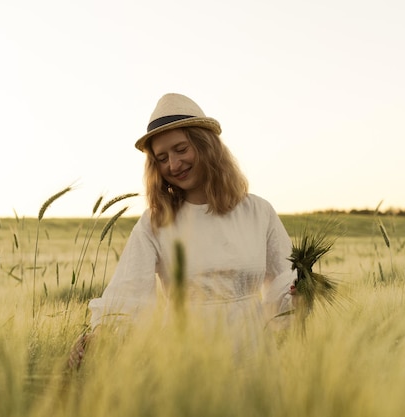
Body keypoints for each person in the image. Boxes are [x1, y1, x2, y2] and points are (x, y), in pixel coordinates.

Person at [68, 93, 299, 370]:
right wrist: (101, 334)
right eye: (162, 158)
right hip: (183, 360)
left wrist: (301, 292)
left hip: (252, 356)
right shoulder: (155, 222)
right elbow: (129, 292)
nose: (173, 165)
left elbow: (285, 282)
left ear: (206, 146)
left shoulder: (259, 212)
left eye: (181, 149)